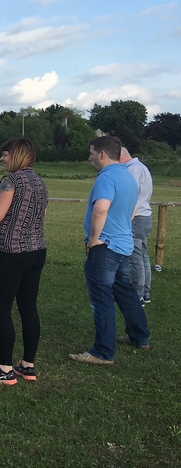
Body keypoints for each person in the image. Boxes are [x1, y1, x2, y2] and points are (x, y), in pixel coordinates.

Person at [70, 136, 150, 365]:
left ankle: (103, 352)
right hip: (123, 244)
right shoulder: (128, 175)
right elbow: (133, 210)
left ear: (102, 154)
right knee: (125, 292)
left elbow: (101, 209)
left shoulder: (106, 177)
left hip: (105, 246)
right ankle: (140, 337)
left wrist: (94, 239)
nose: (89, 157)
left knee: (101, 297)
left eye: (91, 153)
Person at [0, 139, 48, 385]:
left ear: (15, 155)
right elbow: (39, 215)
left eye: (5, 154)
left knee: (2, 309)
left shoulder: (10, 181)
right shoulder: (40, 182)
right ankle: (28, 365)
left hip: (11, 253)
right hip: (36, 250)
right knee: (28, 307)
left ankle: (4, 368)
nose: (2, 159)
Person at [119, 147, 153, 305]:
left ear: (121, 157)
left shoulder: (132, 170)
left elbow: (129, 195)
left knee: (135, 257)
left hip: (137, 216)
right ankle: (146, 292)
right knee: (143, 255)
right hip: (146, 215)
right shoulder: (142, 167)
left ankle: (137, 295)